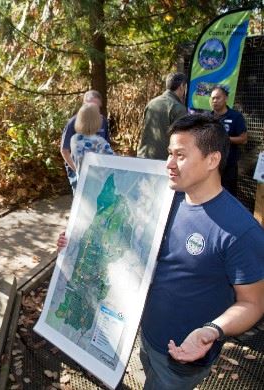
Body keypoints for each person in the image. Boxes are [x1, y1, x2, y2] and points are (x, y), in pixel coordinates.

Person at [58, 114, 264, 389]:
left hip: (184, 355)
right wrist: (77, 243)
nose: (168, 163)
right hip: (145, 336)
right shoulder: (165, 199)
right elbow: (127, 243)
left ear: (212, 160)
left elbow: (253, 303)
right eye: (169, 153)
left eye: (180, 155)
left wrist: (212, 330)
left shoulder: (241, 230)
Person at [61, 90, 110, 192]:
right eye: (89, 105)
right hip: (77, 170)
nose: (92, 109)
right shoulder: (73, 123)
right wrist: (78, 170)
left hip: (97, 172)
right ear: (83, 105)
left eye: (96, 107)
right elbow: (64, 151)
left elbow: (107, 151)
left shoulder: (103, 121)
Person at [137, 72, 188, 160]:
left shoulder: (152, 103)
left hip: (143, 155)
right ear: (181, 87)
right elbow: (181, 138)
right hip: (164, 159)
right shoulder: (178, 108)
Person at [210, 85, 247, 197]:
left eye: (218, 98)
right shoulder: (207, 117)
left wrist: (225, 138)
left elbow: (244, 139)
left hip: (228, 166)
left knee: (228, 196)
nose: (215, 101)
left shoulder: (236, 117)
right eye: (213, 98)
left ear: (226, 98)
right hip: (210, 166)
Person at [69, 103, 114, 188]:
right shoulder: (100, 142)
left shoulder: (74, 139)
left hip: (81, 183)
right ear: (97, 121)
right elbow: (113, 162)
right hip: (97, 187)